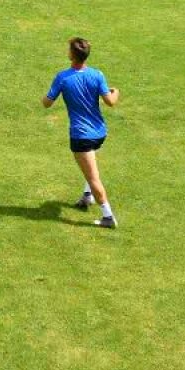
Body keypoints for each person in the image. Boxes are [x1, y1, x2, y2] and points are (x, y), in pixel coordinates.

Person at [41, 37, 121, 228]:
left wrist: (49, 94)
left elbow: (47, 103)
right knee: (89, 166)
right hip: (99, 133)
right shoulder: (97, 75)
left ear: (72, 55)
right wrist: (116, 91)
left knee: (93, 177)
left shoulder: (63, 77)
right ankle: (87, 196)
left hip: (81, 136)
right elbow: (110, 101)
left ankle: (108, 216)